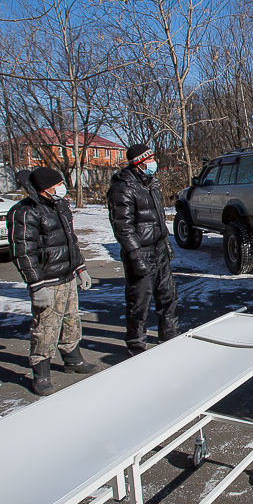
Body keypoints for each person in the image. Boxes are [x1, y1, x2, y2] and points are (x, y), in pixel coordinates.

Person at [7, 167, 97, 396]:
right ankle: (41, 373)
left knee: (71, 320)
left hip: (67, 276)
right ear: (44, 189)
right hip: (47, 281)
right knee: (45, 328)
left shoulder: (61, 206)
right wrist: (36, 286)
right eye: (56, 186)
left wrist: (80, 268)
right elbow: (23, 253)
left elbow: (70, 241)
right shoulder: (25, 212)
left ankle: (73, 359)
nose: (62, 188)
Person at [107, 144, 179, 356]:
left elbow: (158, 219)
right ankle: (136, 346)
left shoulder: (151, 184)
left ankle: (170, 337)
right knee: (140, 302)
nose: (153, 163)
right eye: (150, 159)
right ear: (139, 163)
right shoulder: (123, 188)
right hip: (140, 251)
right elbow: (123, 227)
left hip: (158, 248)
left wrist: (165, 242)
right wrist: (135, 256)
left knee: (168, 296)